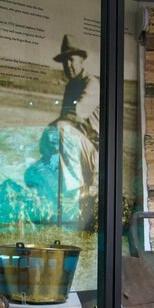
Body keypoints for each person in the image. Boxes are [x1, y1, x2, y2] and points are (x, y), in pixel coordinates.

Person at [25, 35, 100, 228]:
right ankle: (49, 212)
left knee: (59, 131)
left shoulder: (92, 83)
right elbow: (63, 122)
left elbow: (75, 116)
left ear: (82, 60)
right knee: (35, 170)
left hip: (93, 152)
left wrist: (53, 129)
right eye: (64, 61)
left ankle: (74, 196)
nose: (68, 65)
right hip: (74, 146)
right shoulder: (71, 86)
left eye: (71, 59)